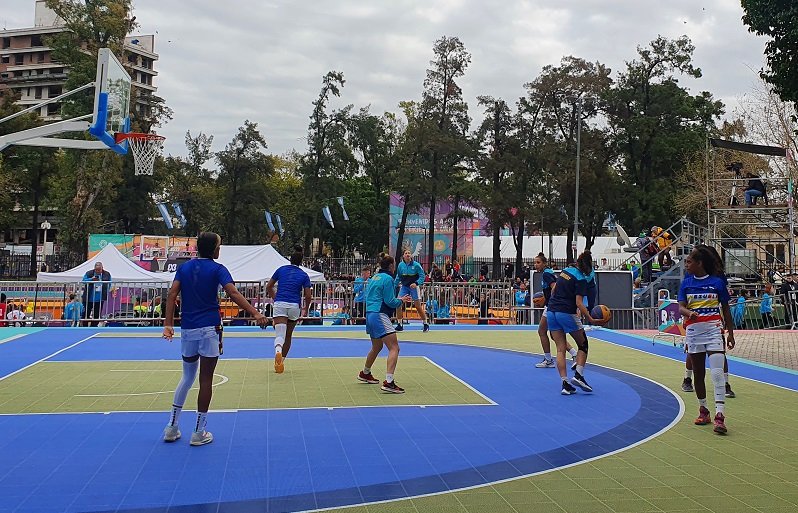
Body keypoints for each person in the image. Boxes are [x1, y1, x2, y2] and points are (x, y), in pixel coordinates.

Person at [162, 232, 267, 446]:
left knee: (187, 377)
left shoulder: (184, 268)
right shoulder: (218, 269)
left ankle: (171, 427)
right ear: (214, 249)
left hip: (188, 329)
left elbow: (172, 294)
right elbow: (234, 294)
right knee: (206, 379)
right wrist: (256, 313)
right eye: (219, 246)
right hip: (210, 328)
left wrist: (168, 324)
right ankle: (199, 431)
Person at [678, 244, 735, 434]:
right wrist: (689, 313)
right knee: (699, 375)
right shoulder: (686, 283)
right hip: (694, 333)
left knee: (717, 373)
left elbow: (726, 309)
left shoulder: (717, 283)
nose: (686, 264)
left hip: (714, 331)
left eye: (689, 261)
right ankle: (704, 410)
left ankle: (720, 416)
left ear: (699, 263)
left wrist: (731, 333)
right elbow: (681, 307)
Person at [546, 251, 605, 395]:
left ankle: (565, 384)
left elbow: (553, 290)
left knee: (560, 349)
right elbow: (579, 303)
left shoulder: (565, 271)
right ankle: (578, 375)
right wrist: (590, 318)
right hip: (565, 312)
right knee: (583, 344)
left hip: (551, 311)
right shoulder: (581, 279)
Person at [358, 254, 411, 393]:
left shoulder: (374, 278)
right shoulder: (388, 279)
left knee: (377, 346)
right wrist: (401, 300)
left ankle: (365, 372)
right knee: (394, 347)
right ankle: (389, 381)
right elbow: (390, 301)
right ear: (392, 266)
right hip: (379, 314)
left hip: (370, 314)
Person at [265, 245, 313, 374]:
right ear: (301, 262)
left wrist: (276, 298)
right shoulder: (304, 275)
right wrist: (305, 309)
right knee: (288, 335)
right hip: (294, 306)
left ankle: (278, 351)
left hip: (280, 303)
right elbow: (308, 296)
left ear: (289, 260)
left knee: (279, 334)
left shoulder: (281, 270)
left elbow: (269, 286)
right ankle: (281, 362)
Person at [533, 253, 578, 369]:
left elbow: (554, 287)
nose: (536, 265)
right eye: (535, 262)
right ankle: (574, 354)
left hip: (552, 307)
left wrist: (552, 300)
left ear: (544, 263)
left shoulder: (547, 274)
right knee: (555, 335)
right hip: (551, 305)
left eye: (538, 262)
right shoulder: (547, 272)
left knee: (542, 331)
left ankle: (549, 360)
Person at [394, 250, 429, 332]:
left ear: (411, 256)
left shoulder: (416, 265)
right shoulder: (400, 265)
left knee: (417, 306)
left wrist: (416, 283)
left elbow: (422, 276)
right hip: (404, 287)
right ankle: (399, 324)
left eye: (409, 253)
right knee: (398, 304)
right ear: (403, 256)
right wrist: (394, 285)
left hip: (414, 287)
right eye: (405, 253)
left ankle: (425, 323)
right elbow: (398, 277)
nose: (407, 254)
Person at [82, 261, 111, 326]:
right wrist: (91, 280)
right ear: (94, 268)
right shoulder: (89, 273)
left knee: (97, 315)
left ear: (102, 268)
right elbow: (83, 281)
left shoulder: (107, 274)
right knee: (85, 314)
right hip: (88, 298)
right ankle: (84, 327)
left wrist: (106, 291)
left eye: (99, 270)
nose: (98, 271)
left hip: (99, 299)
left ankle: (93, 327)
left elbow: (109, 283)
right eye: (96, 270)